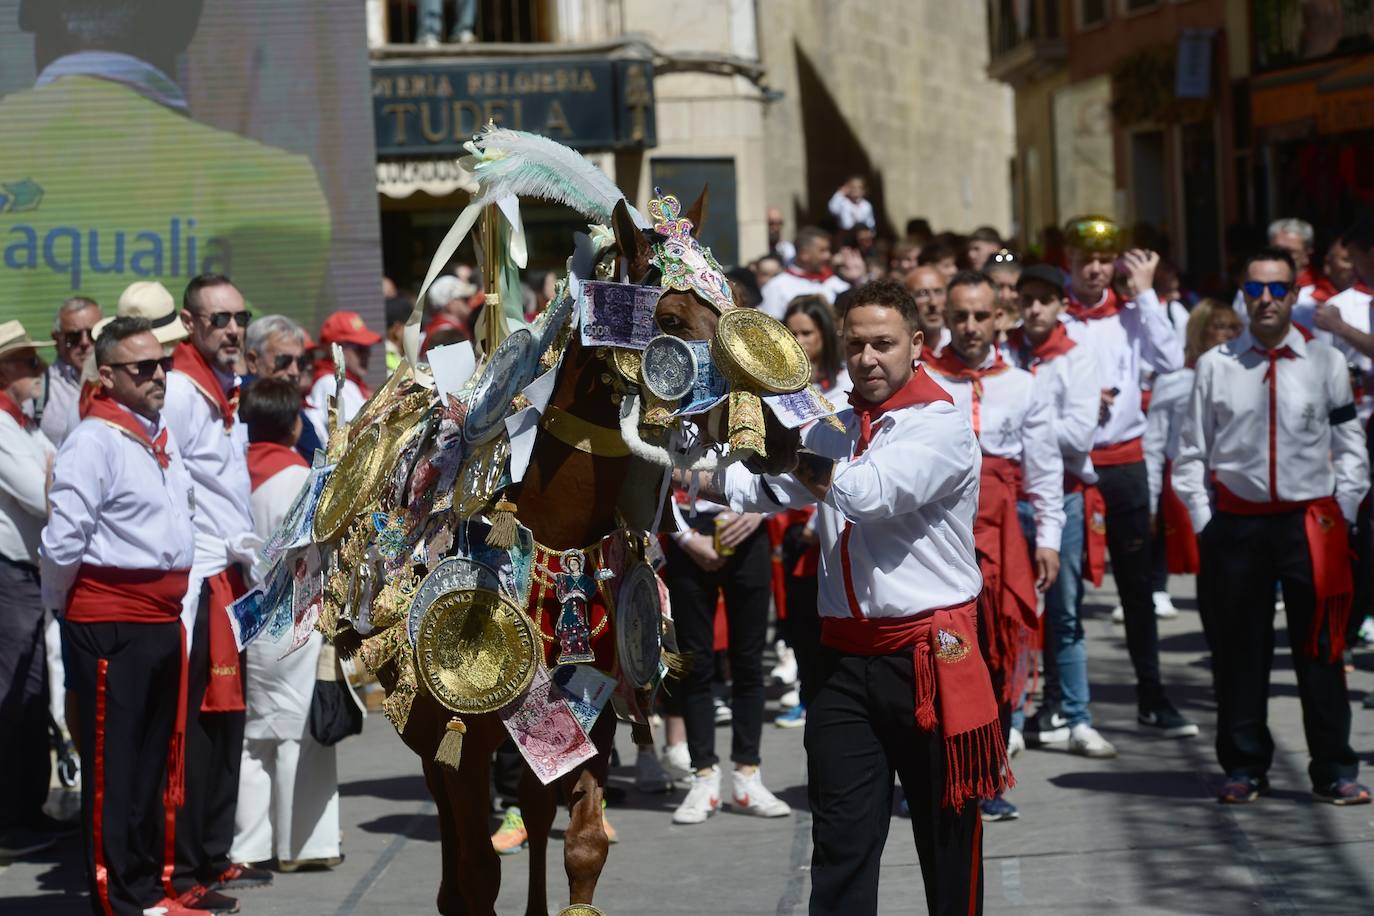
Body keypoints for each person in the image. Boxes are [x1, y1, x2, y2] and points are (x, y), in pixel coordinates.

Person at [708, 279, 1004, 915]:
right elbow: (763, 489)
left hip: (927, 657)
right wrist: (676, 463)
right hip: (842, 660)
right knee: (840, 843)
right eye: (856, 345)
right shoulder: (839, 424)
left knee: (947, 840)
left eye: (883, 344)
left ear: (917, 344)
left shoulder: (942, 424)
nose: (867, 359)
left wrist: (789, 448)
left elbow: (867, 494)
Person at [1174, 247, 1371, 806]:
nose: (1267, 299)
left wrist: (1345, 509)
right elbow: (1190, 454)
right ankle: (1244, 766)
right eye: (1256, 289)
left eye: (1278, 288)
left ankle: (1333, 767)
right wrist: (1206, 522)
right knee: (1240, 651)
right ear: (1243, 294)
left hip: (1310, 525)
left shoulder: (1324, 362)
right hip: (1238, 525)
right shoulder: (1216, 365)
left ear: (1295, 295)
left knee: (1322, 648)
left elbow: (1350, 445)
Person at [40, 316, 199, 916]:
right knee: (115, 768)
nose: (159, 374)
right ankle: (118, 900)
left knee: (150, 763)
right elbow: (64, 541)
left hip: (159, 618)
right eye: (143, 367)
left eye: (163, 363)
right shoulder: (93, 439)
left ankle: (145, 890)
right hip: (112, 619)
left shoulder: (157, 434)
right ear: (107, 377)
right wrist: (67, 610)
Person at [926, 273, 1065, 822]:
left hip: (1002, 536)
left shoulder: (1024, 385)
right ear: (946, 318)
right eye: (960, 316)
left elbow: (1045, 469)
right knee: (940, 654)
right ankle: (935, 777)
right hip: (937, 534)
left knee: (998, 655)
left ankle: (987, 776)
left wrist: (1048, 539)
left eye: (981, 316)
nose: (970, 326)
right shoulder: (924, 378)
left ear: (1000, 318)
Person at [1059, 215, 1197, 739]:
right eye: (1085, 260)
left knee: (1137, 588)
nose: (1094, 270)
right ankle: (1063, 702)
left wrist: (1145, 294)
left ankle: (1152, 695)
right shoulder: (1056, 317)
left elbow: (1170, 359)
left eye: (1103, 260)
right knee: (1063, 589)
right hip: (1071, 466)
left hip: (1125, 464)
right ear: (1069, 262)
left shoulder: (1133, 312)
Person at [163, 273, 265, 909]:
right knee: (198, 725)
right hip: (198, 581)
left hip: (232, 576)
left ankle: (210, 853)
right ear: (189, 323)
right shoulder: (178, 388)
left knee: (228, 722)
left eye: (239, 318)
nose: (232, 329)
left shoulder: (224, 385)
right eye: (218, 319)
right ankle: (184, 868)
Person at [230, 378, 344, 871]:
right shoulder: (300, 476)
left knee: (255, 734)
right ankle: (302, 844)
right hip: (295, 613)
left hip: (247, 614)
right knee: (299, 730)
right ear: (295, 423)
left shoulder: (233, 473)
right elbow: (319, 546)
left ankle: (249, 844)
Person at [1004, 265, 1113, 757]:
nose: (1034, 309)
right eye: (1027, 299)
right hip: (1012, 497)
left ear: (1061, 305)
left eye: (1044, 300)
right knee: (1013, 613)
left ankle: (1077, 717)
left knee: (1065, 612)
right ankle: (1011, 718)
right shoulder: (1004, 352)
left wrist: (1026, 422)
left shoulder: (1076, 358)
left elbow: (1080, 435)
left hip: (1062, 497)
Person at [663, 483, 792, 825]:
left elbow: (777, 469)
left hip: (747, 526)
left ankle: (747, 775)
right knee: (696, 665)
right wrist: (686, 538)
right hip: (687, 530)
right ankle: (703, 775)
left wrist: (759, 511)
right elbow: (654, 477)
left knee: (749, 663)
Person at [0, 320, 62, 859]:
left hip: (24, 574)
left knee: (31, 691)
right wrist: (53, 475)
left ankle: (25, 809)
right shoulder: (3, 426)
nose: (37, 369)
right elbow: (44, 495)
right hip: (11, 574)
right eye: (26, 361)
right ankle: (10, 816)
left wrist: (53, 475)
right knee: (16, 692)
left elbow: (53, 480)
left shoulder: (20, 424)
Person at [1143, 300, 1241, 615]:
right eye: (1219, 327)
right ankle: (1158, 587)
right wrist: (1151, 502)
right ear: (1200, 331)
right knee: (1204, 560)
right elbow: (1154, 445)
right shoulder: (1173, 381)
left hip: (1233, 483)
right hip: (1185, 481)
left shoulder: (1248, 374)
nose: (1227, 335)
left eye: (1233, 328)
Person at [243, 314, 324, 462]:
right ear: (253, 361)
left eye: (300, 362)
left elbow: (318, 463)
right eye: (283, 361)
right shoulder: (237, 405)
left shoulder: (291, 406)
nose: (294, 372)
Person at [306, 311, 382, 437]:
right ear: (334, 349)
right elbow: (356, 434)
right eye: (359, 348)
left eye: (368, 348)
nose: (367, 354)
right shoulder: (332, 382)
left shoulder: (350, 381)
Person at [39, 296, 101, 447]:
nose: (85, 342)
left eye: (93, 334)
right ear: (56, 339)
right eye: (73, 337)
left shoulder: (119, 381)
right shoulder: (40, 388)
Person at [759, 227, 849, 319]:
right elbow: (770, 323)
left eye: (828, 250)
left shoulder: (835, 282)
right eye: (822, 251)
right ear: (804, 254)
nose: (828, 256)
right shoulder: (777, 286)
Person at [903, 265, 951, 357]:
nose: (933, 302)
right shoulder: (901, 351)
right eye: (923, 293)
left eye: (938, 292)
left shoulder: (959, 346)